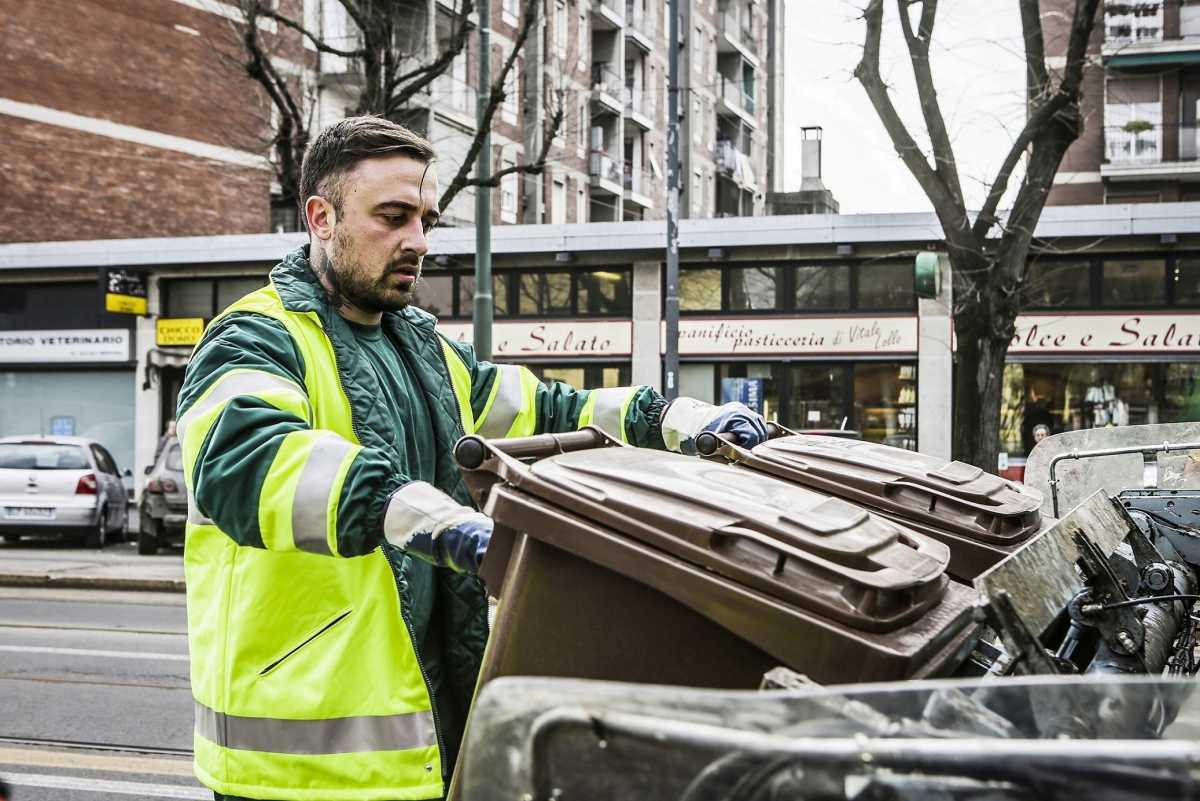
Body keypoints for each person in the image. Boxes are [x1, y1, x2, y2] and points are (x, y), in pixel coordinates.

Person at [177, 115, 768, 801]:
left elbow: (547, 408)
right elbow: (250, 461)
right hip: (295, 768)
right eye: (393, 217)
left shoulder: (423, 349)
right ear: (321, 216)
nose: (419, 242)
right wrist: (428, 518)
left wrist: (675, 418)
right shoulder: (254, 336)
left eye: (427, 220)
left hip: (425, 750)